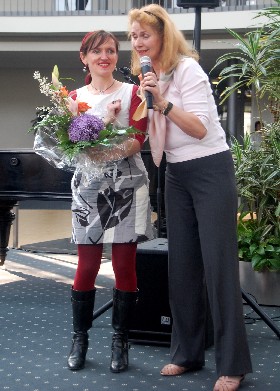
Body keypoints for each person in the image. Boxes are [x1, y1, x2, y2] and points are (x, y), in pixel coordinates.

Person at [128, 4, 252, 391]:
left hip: (210, 168)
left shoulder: (187, 69)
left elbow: (199, 128)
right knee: (181, 267)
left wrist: (162, 102)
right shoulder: (153, 75)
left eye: (144, 35)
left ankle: (233, 364)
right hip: (176, 172)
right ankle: (186, 353)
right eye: (133, 36)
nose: (138, 43)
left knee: (218, 268)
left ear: (163, 36)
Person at [67, 30, 154, 373]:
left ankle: (121, 340)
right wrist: (88, 148)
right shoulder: (73, 98)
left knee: (124, 267)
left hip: (128, 184)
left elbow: (137, 138)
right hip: (88, 187)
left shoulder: (134, 92)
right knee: (86, 266)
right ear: (84, 57)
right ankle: (79, 339)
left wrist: (101, 153)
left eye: (111, 51)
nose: (105, 56)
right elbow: (71, 143)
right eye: (97, 51)